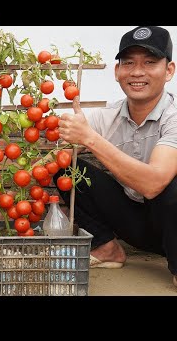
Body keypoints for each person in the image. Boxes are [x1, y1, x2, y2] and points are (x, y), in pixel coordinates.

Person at [56, 26, 177, 288]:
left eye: (150, 62)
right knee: (67, 171)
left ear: (169, 70)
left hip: (173, 223)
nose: (137, 72)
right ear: (117, 71)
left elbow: (154, 184)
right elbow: (59, 145)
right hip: (138, 225)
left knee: (171, 185)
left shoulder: (174, 117)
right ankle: (108, 249)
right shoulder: (108, 116)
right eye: (128, 63)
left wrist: (89, 138)